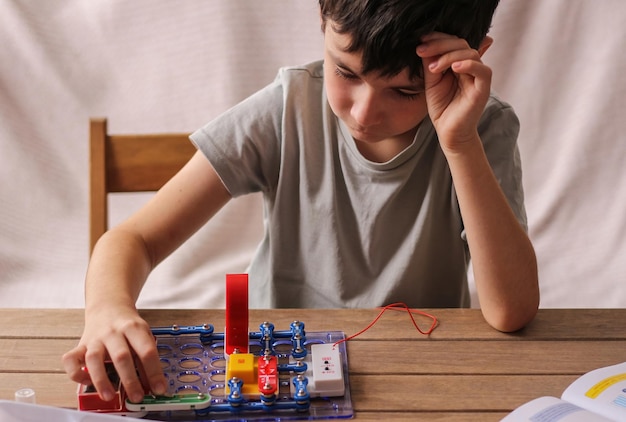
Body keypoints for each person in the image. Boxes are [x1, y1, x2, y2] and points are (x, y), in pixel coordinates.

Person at [63, 0, 539, 404]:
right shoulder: (287, 108)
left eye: (405, 90)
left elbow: (509, 310)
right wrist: (107, 306)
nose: (364, 112)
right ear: (321, 21)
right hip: (280, 377)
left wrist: (458, 144)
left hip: (418, 376)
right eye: (345, 72)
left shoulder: (482, 130)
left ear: (470, 59)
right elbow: (135, 238)